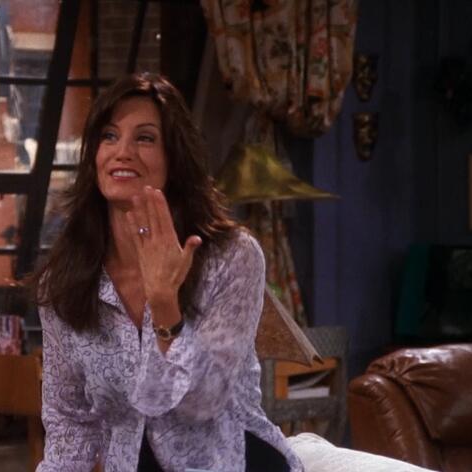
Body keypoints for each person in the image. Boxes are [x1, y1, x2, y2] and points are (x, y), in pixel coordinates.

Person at [31, 72, 303, 472]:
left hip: (233, 461)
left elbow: (204, 401)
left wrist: (164, 304)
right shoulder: (65, 279)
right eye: (109, 136)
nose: (122, 152)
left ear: (174, 159)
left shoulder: (232, 257)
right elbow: (69, 423)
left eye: (144, 138)